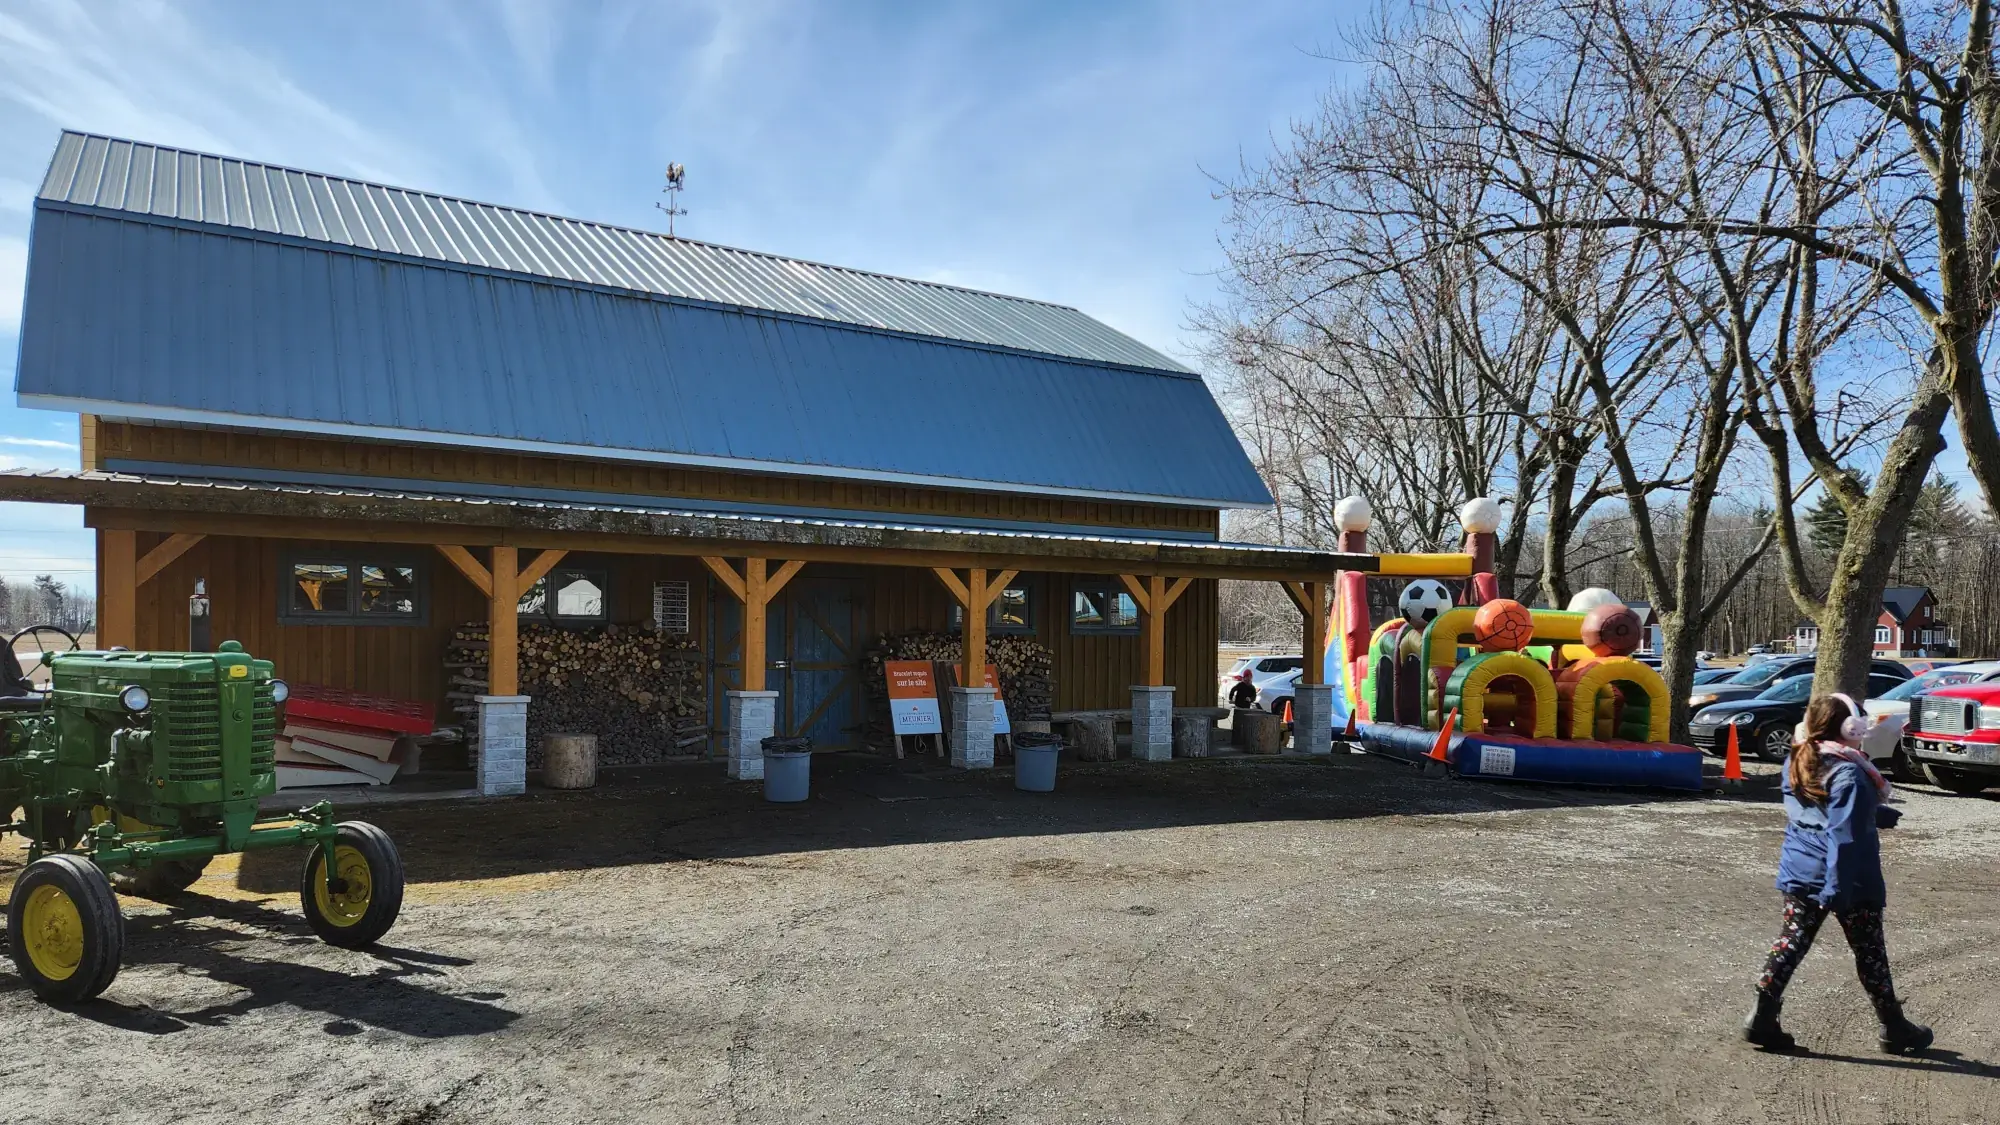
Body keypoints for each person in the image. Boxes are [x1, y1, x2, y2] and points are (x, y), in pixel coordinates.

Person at [1744, 693, 1933, 1054]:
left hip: (1801, 868)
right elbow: (1843, 838)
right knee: (1870, 951)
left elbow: (1819, 810)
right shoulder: (1849, 772)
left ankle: (1762, 1016)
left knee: (1792, 940)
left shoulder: (1799, 757)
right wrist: (1838, 887)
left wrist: (1872, 814)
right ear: (1849, 728)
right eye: (1858, 722)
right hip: (1847, 877)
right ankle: (1893, 1027)